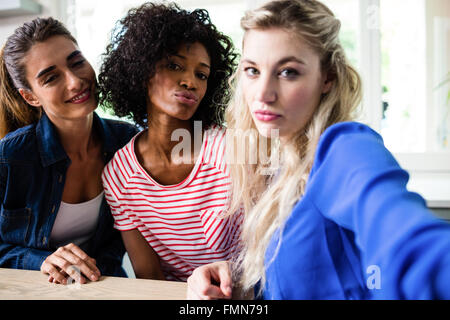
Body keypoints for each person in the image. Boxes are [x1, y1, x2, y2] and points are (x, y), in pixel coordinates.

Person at [186, 0, 450, 300]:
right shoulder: (285, 164)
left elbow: (414, 250)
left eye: (287, 72)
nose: (263, 93)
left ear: (327, 78)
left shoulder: (343, 148)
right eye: (252, 70)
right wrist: (236, 281)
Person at [98, 3, 241, 282]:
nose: (190, 82)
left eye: (202, 74)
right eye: (174, 65)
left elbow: (263, 251)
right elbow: (149, 277)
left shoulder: (230, 150)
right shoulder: (119, 177)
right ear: (141, 71)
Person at [0, 17, 138, 285]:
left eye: (76, 62)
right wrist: (40, 260)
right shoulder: (9, 158)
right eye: (51, 78)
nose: (75, 82)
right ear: (30, 96)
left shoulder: (128, 142)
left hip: (105, 287)